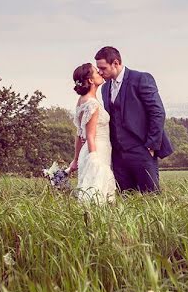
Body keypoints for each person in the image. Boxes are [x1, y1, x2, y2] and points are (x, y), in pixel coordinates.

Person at [95, 46, 173, 193]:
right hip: (118, 155)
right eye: (98, 68)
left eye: (103, 68)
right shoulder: (105, 88)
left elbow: (157, 112)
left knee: (151, 196)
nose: (100, 72)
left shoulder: (141, 78)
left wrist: (151, 145)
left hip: (142, 149)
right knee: (125, 199)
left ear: (116, 63)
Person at [67, 63, 117, 204]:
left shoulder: (82, 101)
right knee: (97, 191)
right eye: (96, 72)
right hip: (97, 150)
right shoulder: (92, 104)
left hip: (87, 151)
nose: (100, 73)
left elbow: (79, 133)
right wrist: (94, 158)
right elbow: (89, 135)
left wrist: (76, 159)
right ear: (90, 80)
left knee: (89, 190)